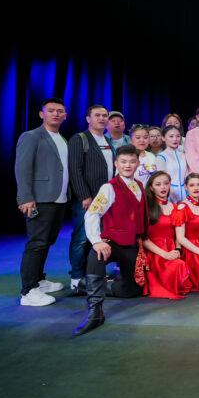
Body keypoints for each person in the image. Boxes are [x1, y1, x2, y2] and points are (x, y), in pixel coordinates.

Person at [74, 144, 147, 336]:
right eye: (123, 162)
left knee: (133, 290)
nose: (128, 165)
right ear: (116, 163)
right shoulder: (109, 187)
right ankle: (95, 311)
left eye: (132, 161)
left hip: (132, 245)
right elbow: (92, 213)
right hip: (113, 242)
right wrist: (96, 240)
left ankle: (89, 284)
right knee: (96, 254)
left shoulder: (140, 186)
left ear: (138, 164)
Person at [15, 98, 70, 306]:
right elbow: (22, 168)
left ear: (65, 116)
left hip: (59, 198)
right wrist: (26, 197)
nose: (56, 114)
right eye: (51, 110)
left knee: (47, 241)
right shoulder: (31, 136)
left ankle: (39, 280)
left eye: (60, 111)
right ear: (41, 114)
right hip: (40, 199)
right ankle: (28, 291)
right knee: (36, 243)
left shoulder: (61, 138)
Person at [67, 104, 115, 296]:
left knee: (98, 237)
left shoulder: (107, 140)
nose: (102, 118)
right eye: (97, 115)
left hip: (105, 199)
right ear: (88, 118)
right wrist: (84, 196)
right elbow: (75, 170)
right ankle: (76, 277)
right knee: (81, 238)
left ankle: (94, 274)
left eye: (104, 115)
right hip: (87, 199)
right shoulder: (80, 139)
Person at [141, 171, 191, 299]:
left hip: (173, 249)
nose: (163, 187)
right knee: (177, 266)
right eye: (158, 184)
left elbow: (178, 234)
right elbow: (144, 239)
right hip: (155, 253)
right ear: (151, 188)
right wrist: (165, 254)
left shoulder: (175, 207)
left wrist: (178, 249)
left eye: (166, 183)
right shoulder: (147, 208)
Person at [155, 126, 189, 203]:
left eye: (178, 136)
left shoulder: (183, 155)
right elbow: (162, 180)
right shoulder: (161, 157)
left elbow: (187, 175)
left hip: (185, 192)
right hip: (169, 194)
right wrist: (176, 199)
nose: (175, 139)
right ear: (163, 138)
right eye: (171, 136)